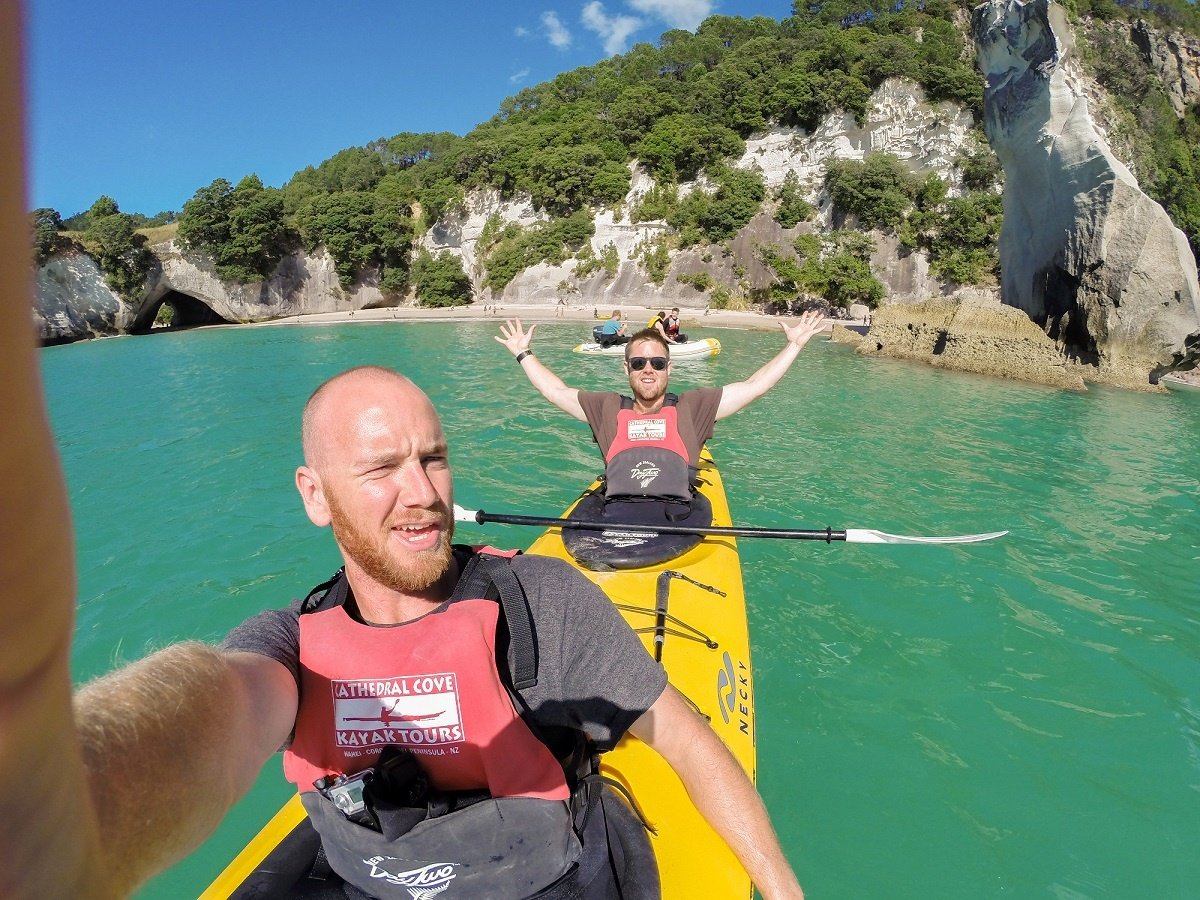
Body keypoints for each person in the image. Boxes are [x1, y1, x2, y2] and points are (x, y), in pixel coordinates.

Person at [496, 310, 825, 505]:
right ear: (627, 369)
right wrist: (523, 354)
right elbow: (556, 390)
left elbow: (753, 387)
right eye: (638, 362)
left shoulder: (693, 408)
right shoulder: (606, 409)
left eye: (657, 362)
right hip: (618, 512)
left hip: (678, 514)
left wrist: (793, 346)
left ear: (669, 368)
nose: (648, 369)